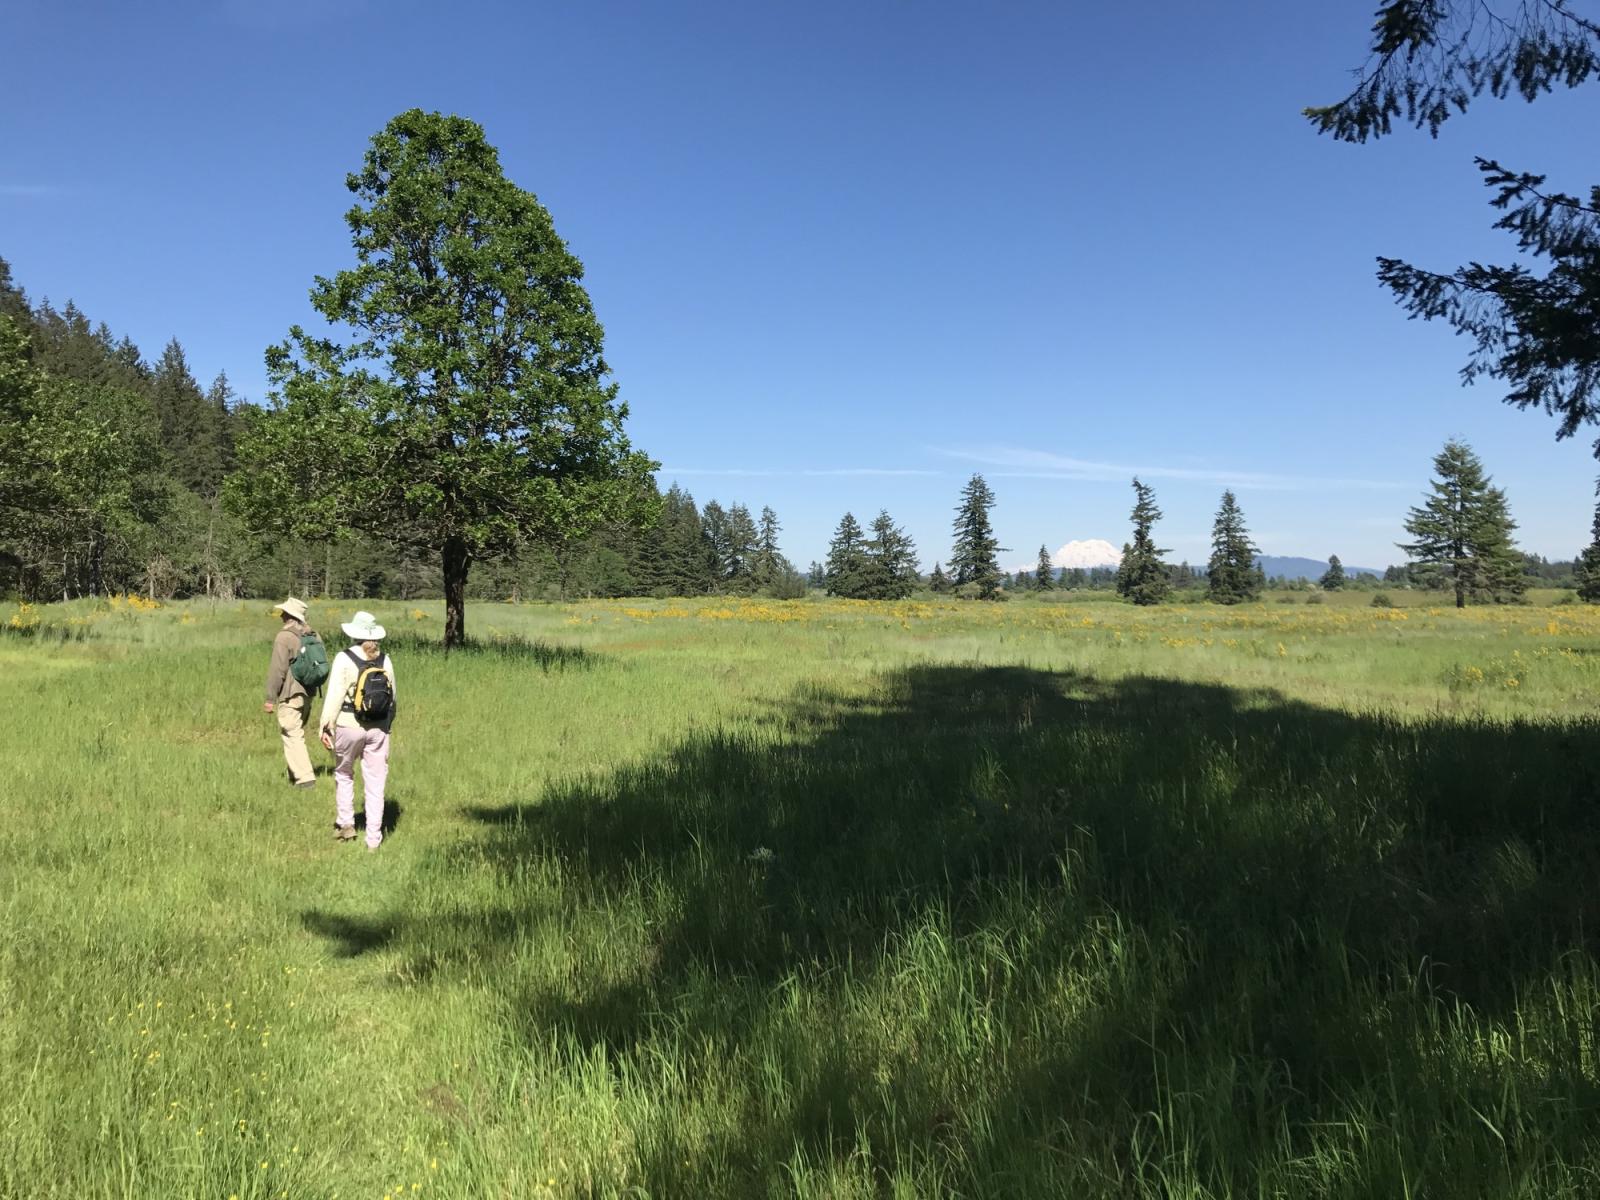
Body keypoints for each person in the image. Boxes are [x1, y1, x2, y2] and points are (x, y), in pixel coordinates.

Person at [319, 610, 397, 848]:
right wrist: (387, 725)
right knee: (375, 782)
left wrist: (325, 726)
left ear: (354, 634)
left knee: (344, 773)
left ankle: (346, 824)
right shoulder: (385, 659)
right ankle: (373, 838)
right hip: (379, 728)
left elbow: (334, 696)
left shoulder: (344, 658)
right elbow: (393, 698)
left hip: (348, 724)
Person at [264, 597, 319, 789]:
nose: (280, 615)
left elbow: (277, 670)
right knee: (295, 730)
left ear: (289, 615)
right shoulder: (313, 634)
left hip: (290, 693)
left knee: (291, 733)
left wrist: (270, 697)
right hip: (309, 692)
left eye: (283, 612)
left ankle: (305, 779)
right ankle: (294, 774)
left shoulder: (284, 637)